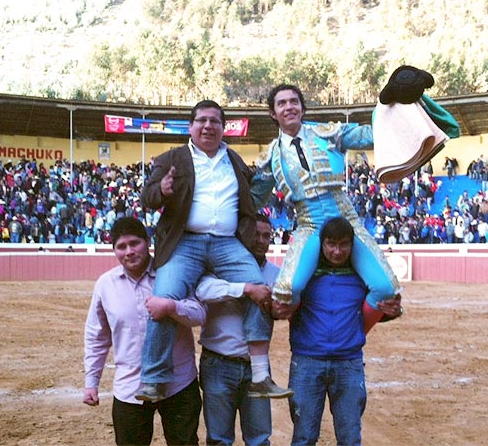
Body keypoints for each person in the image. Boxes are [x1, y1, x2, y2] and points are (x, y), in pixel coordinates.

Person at [138, 100, 287, 402]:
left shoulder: (235, 161)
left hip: (227, 243)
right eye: (202, 120)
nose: (208, 126)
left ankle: (260, 376)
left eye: (215, 121)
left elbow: (252, 197)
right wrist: (162, 191)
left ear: (223, 128)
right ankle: (153, 379)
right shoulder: (171, 158)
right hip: (185, 242)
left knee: (260, 289)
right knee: (164, 298)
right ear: (191, 126)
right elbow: (147, 198)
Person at [252, 84, 400, 331]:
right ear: (273, 113)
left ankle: (355, 333)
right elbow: (254, 198)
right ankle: (307, 334)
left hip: (346, 220)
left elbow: (371, 135)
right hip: (310, 225)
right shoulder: (271, 157)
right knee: (287, 291)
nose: (289, 107)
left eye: (294, 101)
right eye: (282, 103)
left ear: (302, 108)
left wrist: (390, 105)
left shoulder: (328, 134)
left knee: (385, 289)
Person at [273, 217, 402, 446]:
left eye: (343, 244)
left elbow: (376, 309)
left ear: (352, 245)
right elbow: (283, 307)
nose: (337, 251)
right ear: (322, 244)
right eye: (331, 244)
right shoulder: (304, 277)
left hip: (347, 362)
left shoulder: (363, 277)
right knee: (304, 437)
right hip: (308, 361)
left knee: (349, 438)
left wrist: (394, 311)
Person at [83, 217, 205, 445]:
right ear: (114, 251)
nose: (129, 251)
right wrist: (92, 382)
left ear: (148, 242)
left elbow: (200, 313)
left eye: (134, 243)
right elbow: (96, 337)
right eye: (121, 246)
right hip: (131, 386)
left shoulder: (173, 274)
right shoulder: (105, 284)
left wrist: (172, 307)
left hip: (178, 382)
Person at [195, 213, 289, 445]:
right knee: (219, 440)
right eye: (255, 234)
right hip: (218, 362)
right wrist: (245, 289)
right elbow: (203, 291)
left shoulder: (276, 274)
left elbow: (281, 310)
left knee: (259, 440)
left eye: (266, 236)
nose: (260, 240)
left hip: (255, 367)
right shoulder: (219, 264)